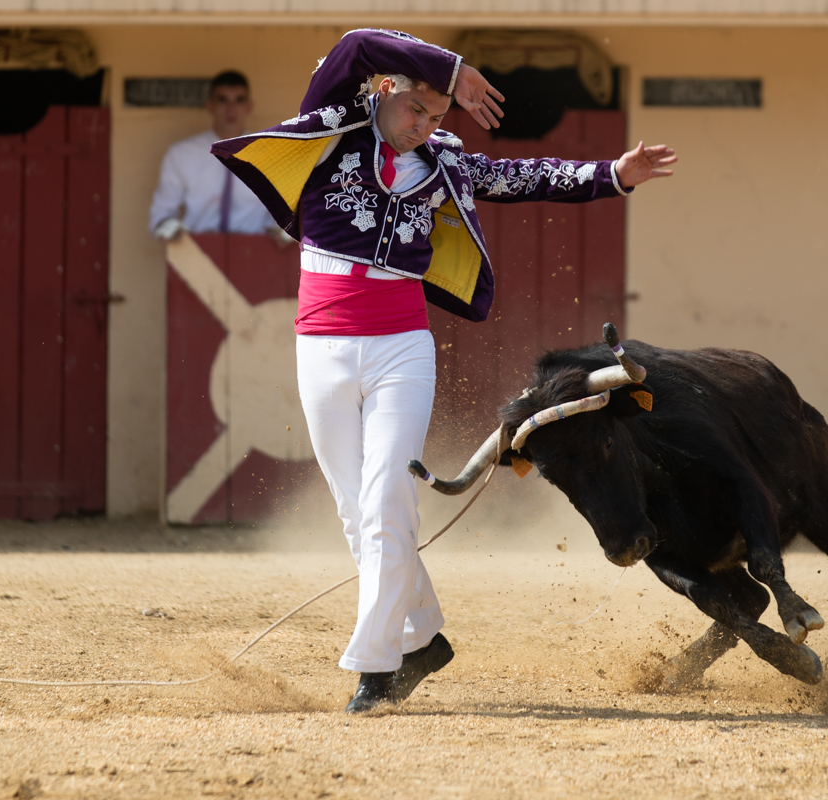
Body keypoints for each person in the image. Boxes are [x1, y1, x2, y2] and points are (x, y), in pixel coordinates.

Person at [211, 29, 675, 713]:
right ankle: (423, 635)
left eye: (436, 118)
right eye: (415, 111)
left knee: (385, 502)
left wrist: (612, 175)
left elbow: (524, 178)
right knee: (354, 510)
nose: (424, 127)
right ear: (385, 90)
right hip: (321, 345)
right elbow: (354, 43)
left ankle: (373, 668)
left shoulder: (447, 159)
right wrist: (451, 69)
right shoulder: (334, 121)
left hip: (402, 344)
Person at [148, 70, 277, 240]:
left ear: (249, 106)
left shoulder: (272, 156)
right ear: (210, 106)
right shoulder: (182, 154)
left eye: (239, 100)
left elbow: (286, 212)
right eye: (223, 100)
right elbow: (161, 213)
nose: (231, 109)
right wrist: (166, 226)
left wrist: (284, 230)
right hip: (197, 253)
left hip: (255, 254)